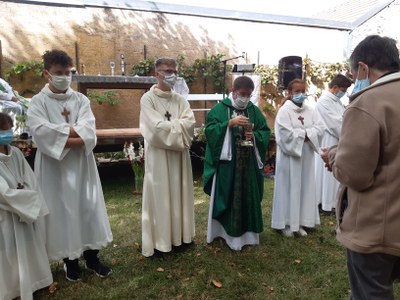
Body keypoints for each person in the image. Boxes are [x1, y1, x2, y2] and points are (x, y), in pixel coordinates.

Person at [324, 35, 400, 300]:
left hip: (377, 227)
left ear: (364, 68)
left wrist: (334, 156)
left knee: (371, 293)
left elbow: (355, 175)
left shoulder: (369, 102)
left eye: (354, 73)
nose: (354, 80)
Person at [26, 50, 113, 282]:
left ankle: (93, 258)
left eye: (68, 73)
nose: (64, 77)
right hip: (55, 169)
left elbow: (89, 132)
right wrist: (77, 134)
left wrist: (63, 134)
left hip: (82, 165)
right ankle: (70, 262)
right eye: (58, 73)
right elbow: (41, 134)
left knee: (87, 208)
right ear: (47, 73)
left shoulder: (81, 100)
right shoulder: (37, 102)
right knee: (62, 212)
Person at [203, 75, 270, 250]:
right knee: (227, 197)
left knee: (247, 197)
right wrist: (229, 124)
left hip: (247, 166)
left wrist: (254, 136)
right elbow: (209, 131)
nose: (245, 98)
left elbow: (264, 131)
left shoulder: (253, 110)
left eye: (249, 95)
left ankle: (248, 236)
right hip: (228, 166)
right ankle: (222, 233)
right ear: (233, 91)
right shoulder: (219, 110)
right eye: (242, 94)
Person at [140, 58, 196, 258]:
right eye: (167, 71)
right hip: (159, 157)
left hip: (179, 157)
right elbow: (154, 128)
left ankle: (180, 238)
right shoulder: (148, 99)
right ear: (157, 73)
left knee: (179, 193)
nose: (172, 74)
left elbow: (190, 124)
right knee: (160, 195)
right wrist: (178, 128)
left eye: (174, 71)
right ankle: (159, 243)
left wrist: (175, 128)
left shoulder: (180, 100)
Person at [0, 112, 53, 299]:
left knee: (28, 246)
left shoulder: (14, 153)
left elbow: (29, 177)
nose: (7, 133)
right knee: (8, 252)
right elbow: (2, 193)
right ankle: (13, 288)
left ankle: (34, 281)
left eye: (9, 129)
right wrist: (22, 197)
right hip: (7, 214)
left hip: (23, 210)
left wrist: (27, 191)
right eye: (3, 130)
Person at [271, 79, 325, 237]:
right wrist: (307, 133)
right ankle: (286, 223)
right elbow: (285, 134)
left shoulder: (311, 109)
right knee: (289, 188)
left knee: (304, 186)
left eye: (303, 91)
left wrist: (303, 134)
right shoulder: (284, 111)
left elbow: (320, 128)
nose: (300, 95)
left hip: (306, 156)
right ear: (290, 93)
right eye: (297, 92)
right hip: (290, 158)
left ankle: (301, 222)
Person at [314, 74, 352, 214]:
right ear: (335, 87)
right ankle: (324, 204)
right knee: (327, 175)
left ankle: (334, 203)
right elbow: (336, 123)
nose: (344, 93)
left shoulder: (336, 102)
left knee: (335, 174)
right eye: (343, 89)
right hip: (328, 141)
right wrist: (349, 132)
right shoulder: (323, 102)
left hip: (338, 141)